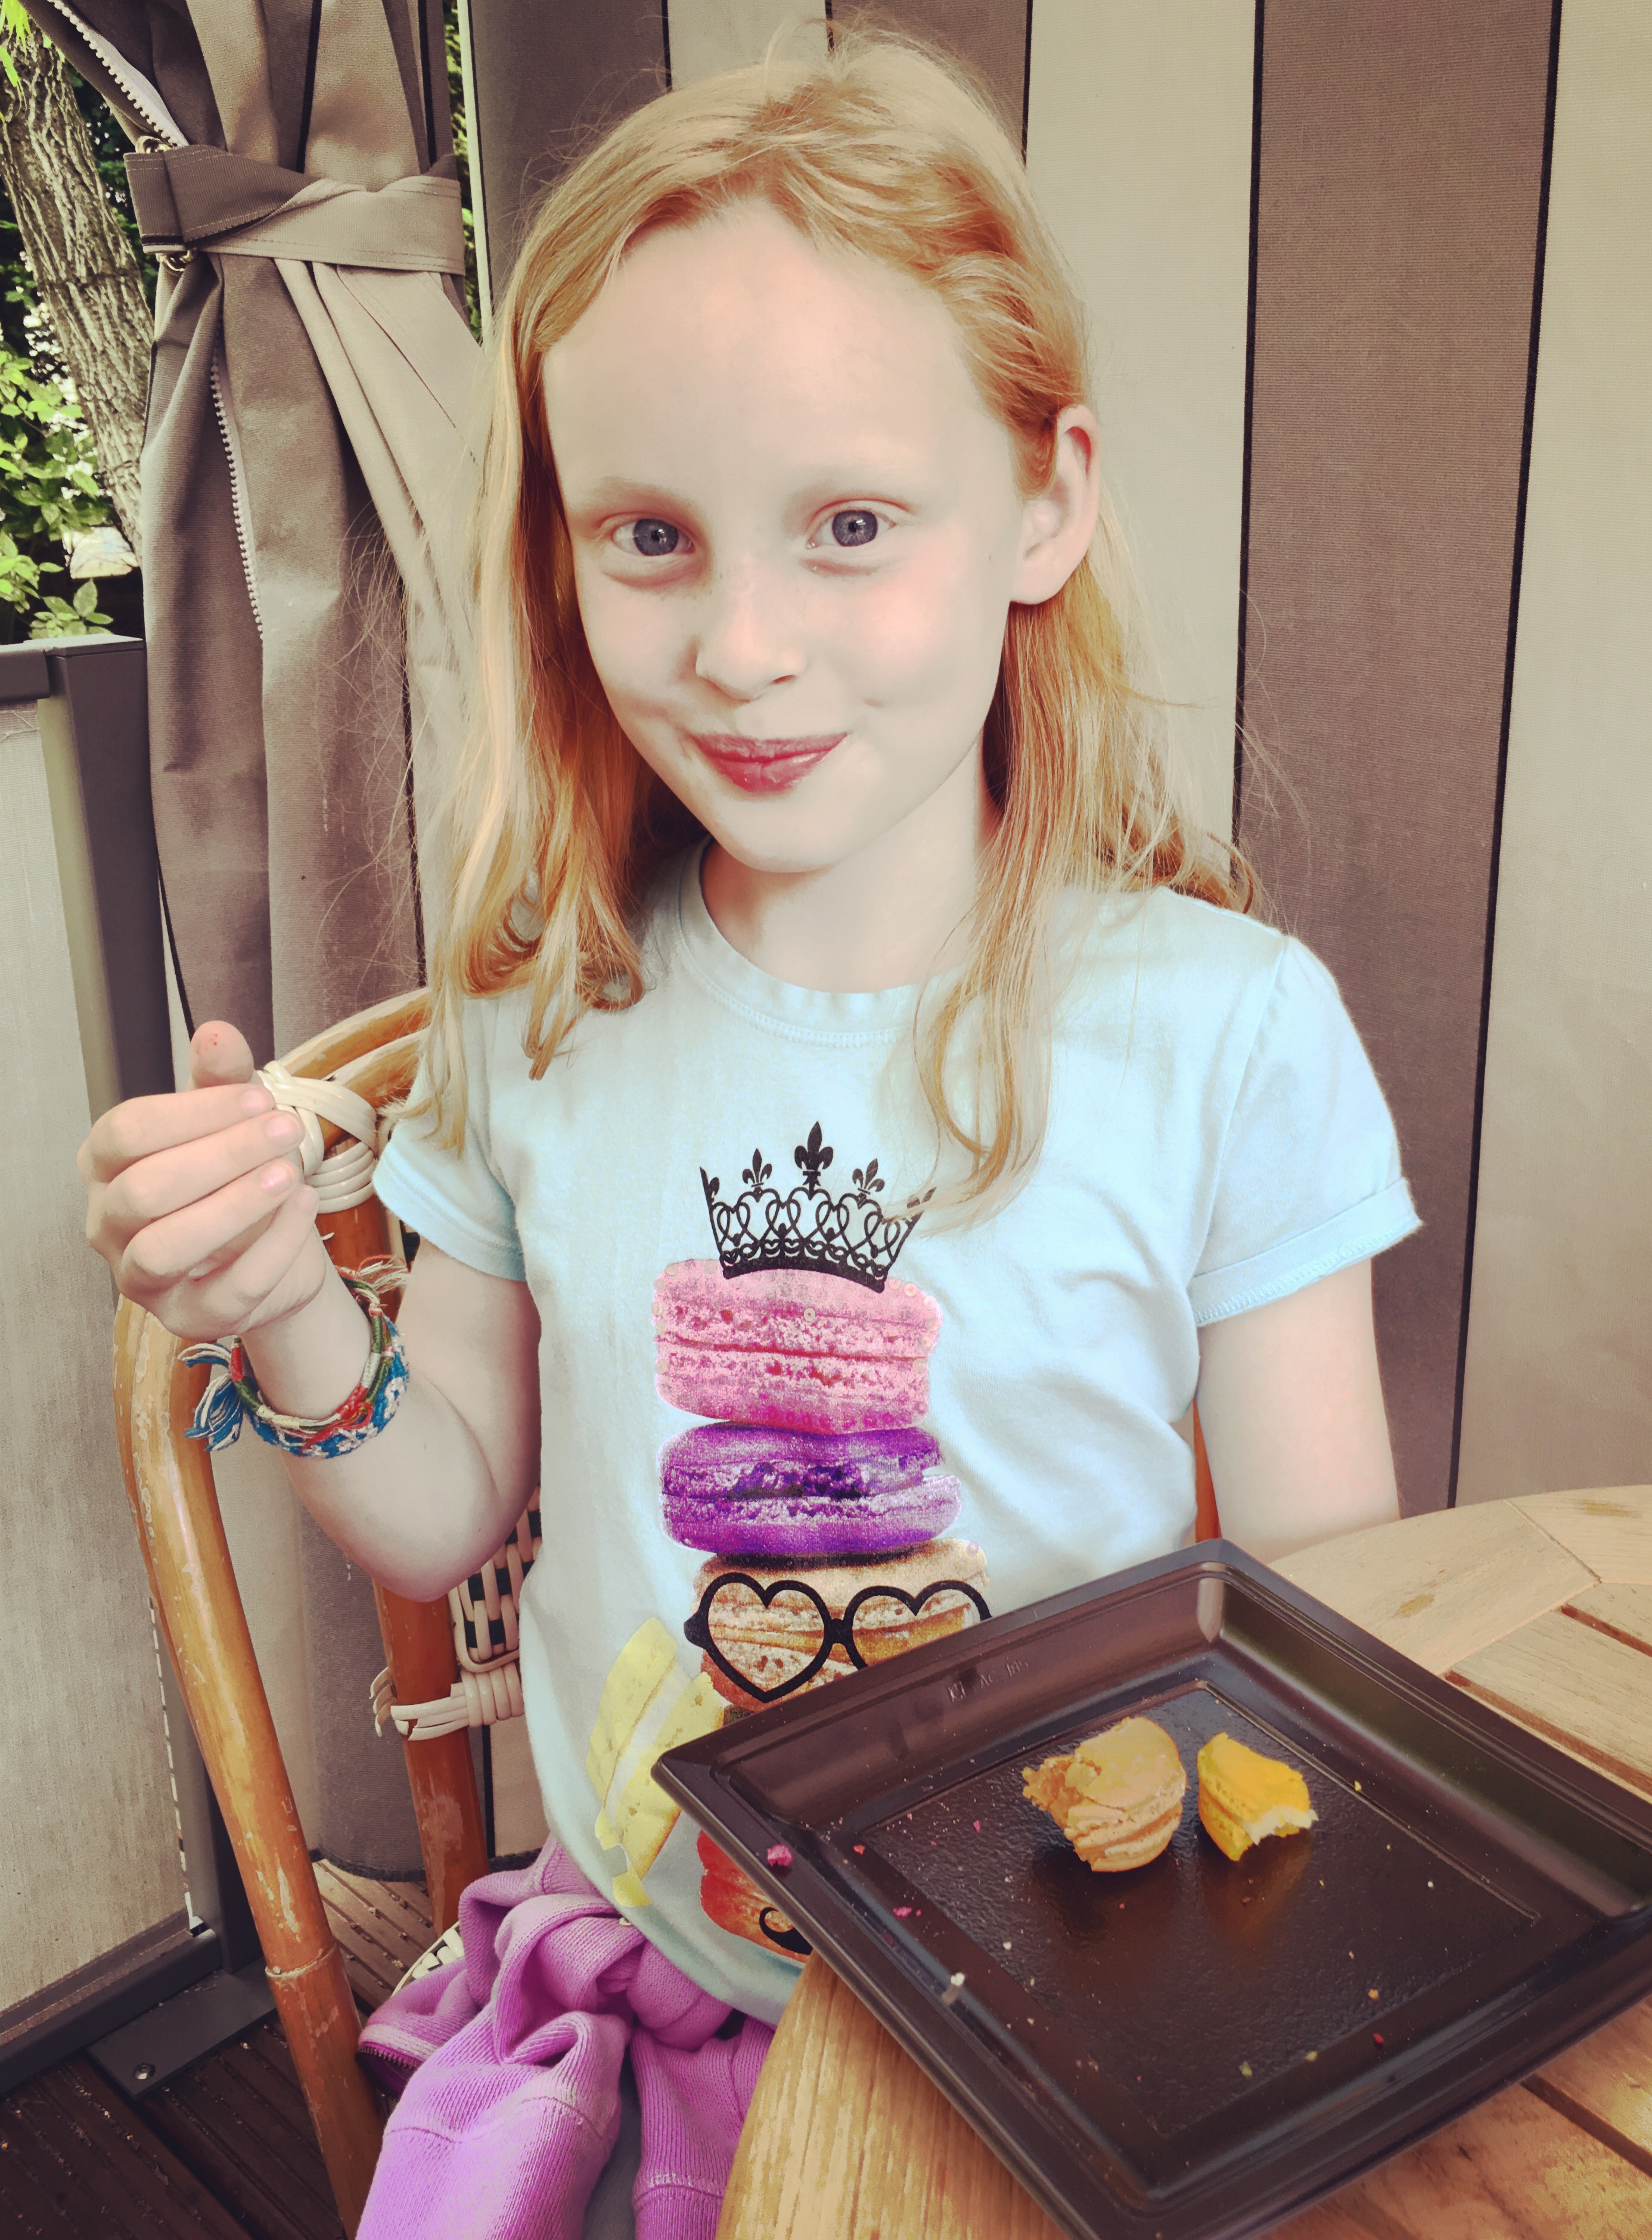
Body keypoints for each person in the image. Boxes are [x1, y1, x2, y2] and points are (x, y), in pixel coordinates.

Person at [79, 30, 1417, 2239]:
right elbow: (441, 1514)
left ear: (1045, 505)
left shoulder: (1226, 1037)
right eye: (652, 537)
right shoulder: (536, 1015)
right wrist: (286, 1304)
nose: (742, 646)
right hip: (661, 2002)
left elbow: (1334, 1630)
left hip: (1077, 2016)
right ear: (564, 556)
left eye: (852, 526)